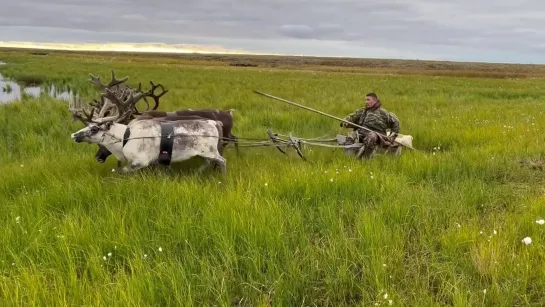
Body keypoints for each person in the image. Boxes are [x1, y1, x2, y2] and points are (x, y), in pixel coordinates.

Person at [340, 92, 400, 158]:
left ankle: (365, 159)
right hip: (361, 133)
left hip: (377, 135)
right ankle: (349, 158)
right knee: (350, 136)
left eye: (368, 100)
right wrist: (345, 121)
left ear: (374, 101)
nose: (366, 102)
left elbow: (396, 122)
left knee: (372, 136)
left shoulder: (384, 113)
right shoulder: (363, 111)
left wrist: (392, 136)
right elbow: (352, 117)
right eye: (366, 100)